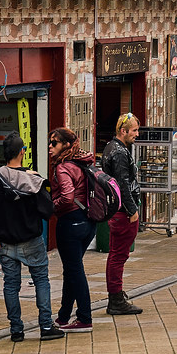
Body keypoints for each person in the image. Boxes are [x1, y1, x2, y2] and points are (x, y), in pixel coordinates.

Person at [0, 134, 64, 342]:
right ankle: (45, 326)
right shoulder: (32, 178)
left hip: (5, 241)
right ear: (22, 152)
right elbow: (48, 210)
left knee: (10, 285)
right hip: (32, 240)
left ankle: (16, 330)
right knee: (41, 281)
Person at [48, 128, 96, 333]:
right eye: (50, 142)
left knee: (75, 271)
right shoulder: (81, 161)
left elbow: (67, 197)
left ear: (66, 145)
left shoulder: (63, 167)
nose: (50, 146)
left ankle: (85, 318)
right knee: (71, 269)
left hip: (71, 223)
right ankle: (64, 316)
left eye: (54, 143)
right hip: (88, 223)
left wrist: (51, 206)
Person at [101, 113, 144, 315]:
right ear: (123, 131)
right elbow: (122, 183)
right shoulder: (118, 152)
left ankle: (116, 294)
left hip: (118, 210)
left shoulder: (114, 148)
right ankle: (115, 298)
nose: (137, 134)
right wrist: (132, 209)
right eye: (134, 130)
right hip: (122, 212)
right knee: (119, 255)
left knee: (117, 254)